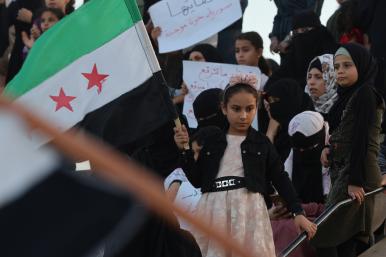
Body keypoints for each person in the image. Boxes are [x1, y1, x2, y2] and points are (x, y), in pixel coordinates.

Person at [174, 74, 317, 257]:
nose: (243, 115)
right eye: (236, 109)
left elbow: (280, 177)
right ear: (224, 109)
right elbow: (197, 181)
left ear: (256, 107)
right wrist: (185, 150)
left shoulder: (261, 143)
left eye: (249, 109)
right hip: (214, 211)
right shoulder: (210, 141)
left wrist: (298, 211)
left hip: (250, 211)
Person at [313, 43, 384, 257]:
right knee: (345, 242)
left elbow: (362, 140)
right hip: (346, 173)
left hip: (356, 175)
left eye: (347, 65)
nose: (340, 71)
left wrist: (355, 181)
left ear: (361, 66)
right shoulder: (347, 96)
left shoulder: (365, 95)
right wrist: (327, 148)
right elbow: (341, 131)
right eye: (336, 67)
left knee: (322, 236)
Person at [264, 78, 314, 162]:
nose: (270, 106)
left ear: (290, 101)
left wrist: (270, 133)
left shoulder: (303, 133)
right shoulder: (278, 128)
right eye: (270, 101)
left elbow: (272, 166)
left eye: (275, 100)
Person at [285, 111, 330, 204]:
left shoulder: (333, 154)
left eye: (308, 148)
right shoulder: (292, 157)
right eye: (298, 148)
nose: (301, 151)